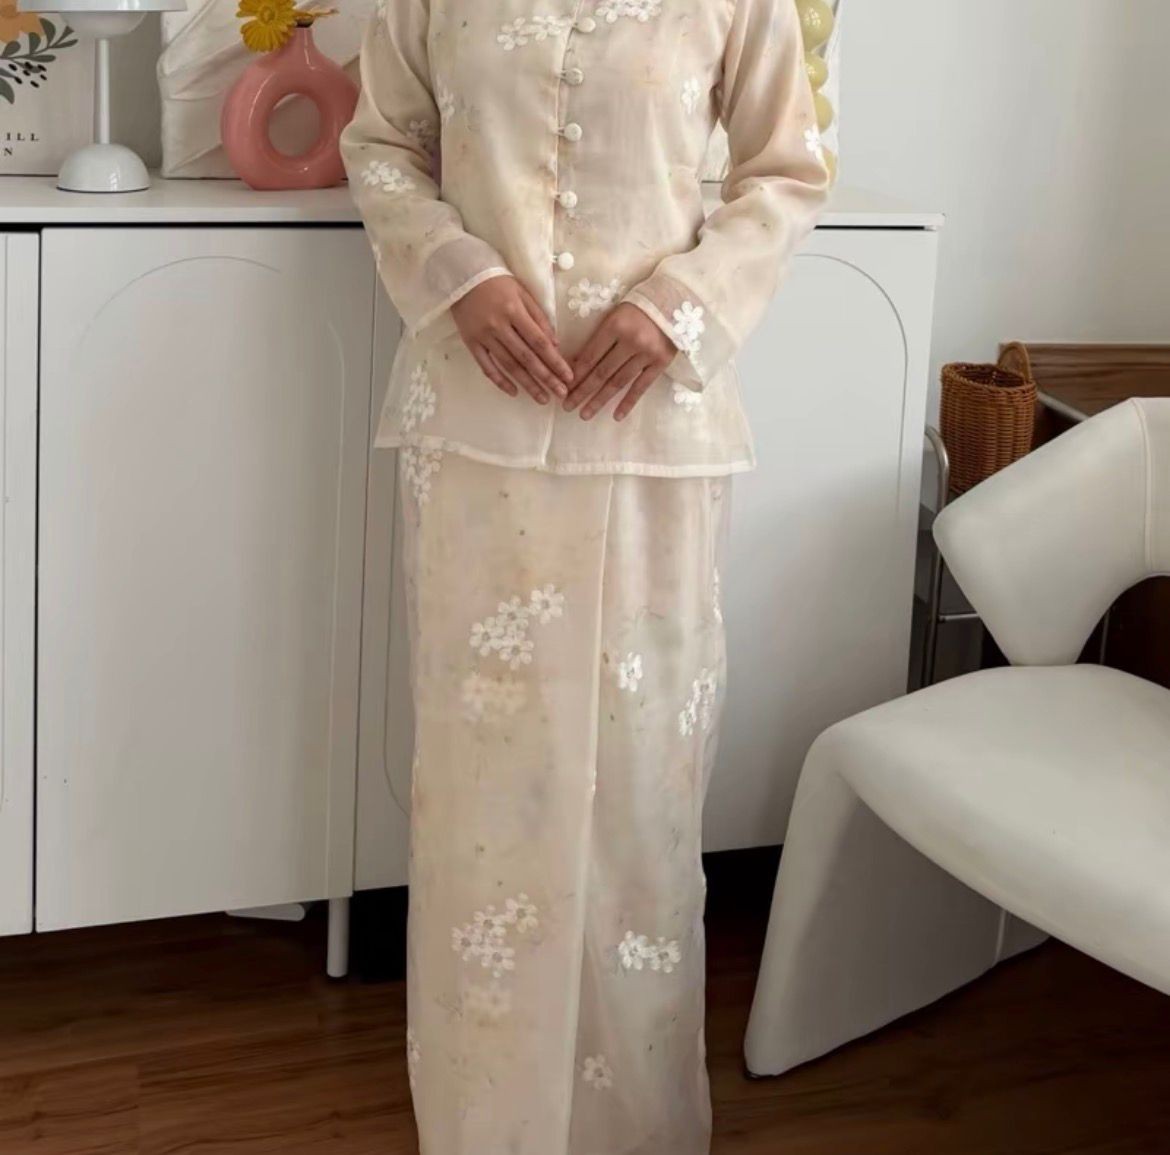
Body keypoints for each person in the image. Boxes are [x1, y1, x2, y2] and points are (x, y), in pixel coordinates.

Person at [341, 1, 829, 1150]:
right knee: (482, 798)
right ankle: (487, 1118)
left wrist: (679, 309)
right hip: (474, 434)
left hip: (653, 437)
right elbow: (381, 143)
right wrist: (456, 272)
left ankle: (633, 1122)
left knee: (641, 791)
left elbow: (786, 172)